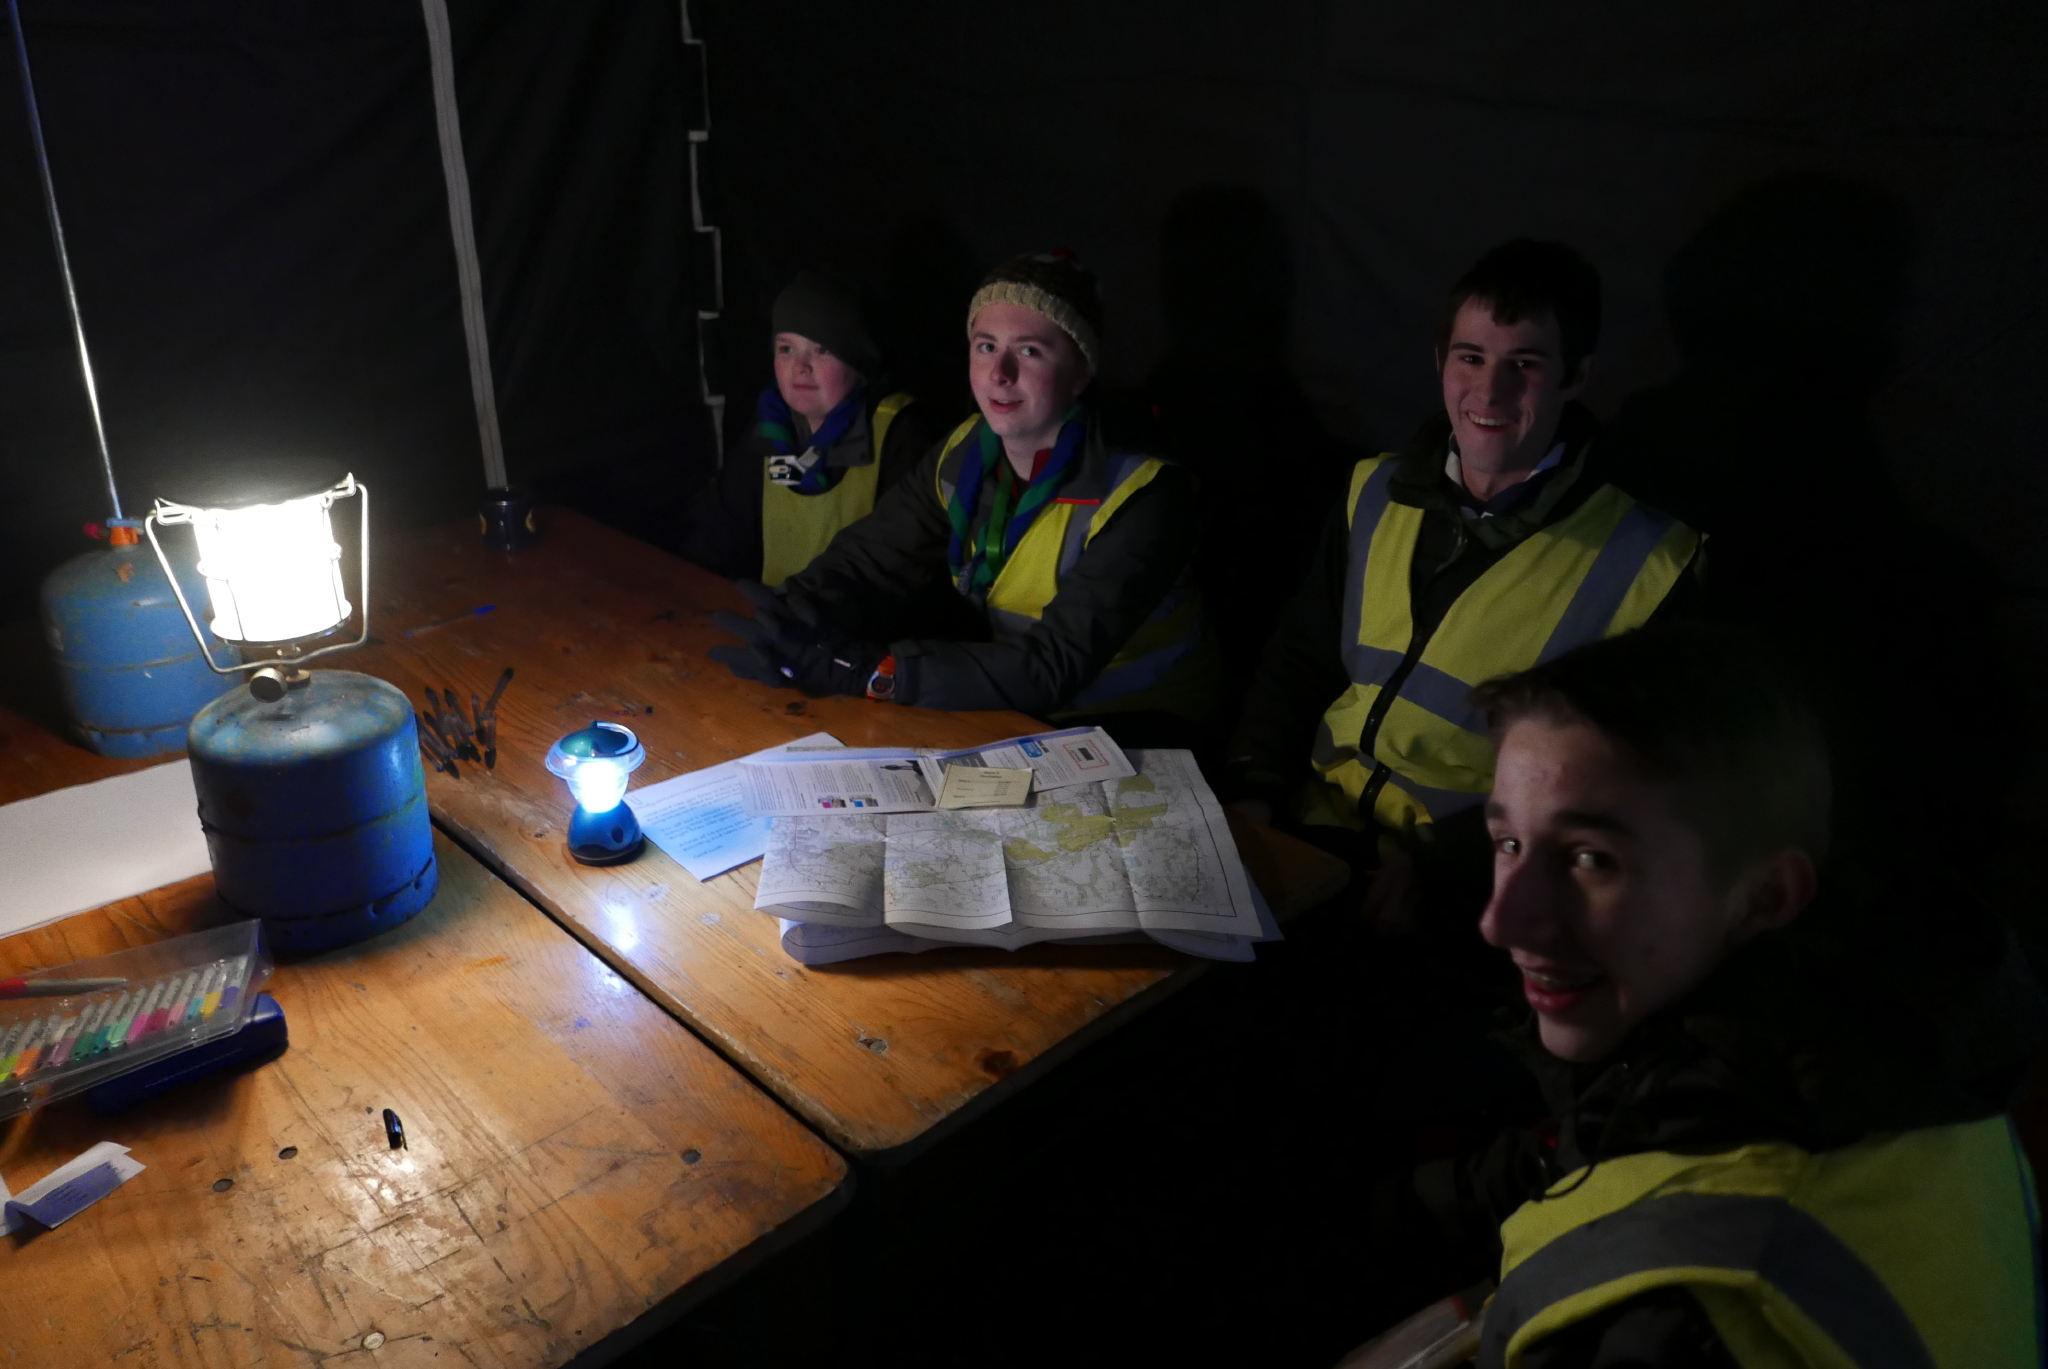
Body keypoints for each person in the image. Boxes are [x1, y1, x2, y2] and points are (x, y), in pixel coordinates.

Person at [1395, 626, 2044, 1366]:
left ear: (1766, 894)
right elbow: (1596, 1138)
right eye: (1508, 843)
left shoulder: (1669, 1321)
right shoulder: (1885, 1041)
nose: (1502, 920)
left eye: (1592, 859)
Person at [1224, 240, 1701, 926]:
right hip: (1310, 832)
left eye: (1525, 365)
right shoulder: (1373, 490)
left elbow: (1614, 784)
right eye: (1470, 357)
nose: (1490, 391)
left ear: (1576, 376)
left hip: (1462, 891)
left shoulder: (1651, 563)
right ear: (1440, 361)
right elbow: (1299, 660)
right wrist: (1252, 791)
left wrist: (1451, 864)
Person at [708, 251, 1216, 742]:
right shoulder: (963, 449)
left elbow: (1053, 664)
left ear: (1081, 371)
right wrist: (794, 615)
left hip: (1143, 723)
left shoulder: (1144, 494)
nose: (999, 374)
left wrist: (869, 672)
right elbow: (871, 560)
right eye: (986, 346)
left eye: (1030, 351)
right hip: (1026, 712)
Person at [672, 268, 944, 585]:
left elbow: (906, 566)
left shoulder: (901, 436)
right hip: (775, 610)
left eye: (822, 350)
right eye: (786, 349)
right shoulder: (771, 427)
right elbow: (717, 530)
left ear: (858, 360)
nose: (800, 367)